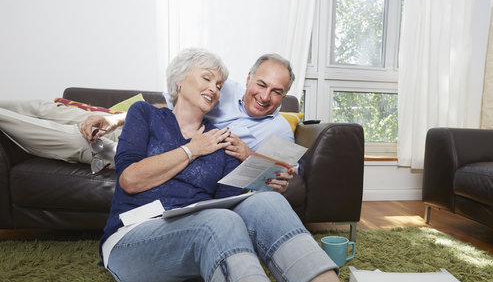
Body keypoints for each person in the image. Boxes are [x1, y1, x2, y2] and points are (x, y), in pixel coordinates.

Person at [102, 47, 372, 282]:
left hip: (192, 238)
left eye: (218, 85)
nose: (214, 89)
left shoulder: (223, 138)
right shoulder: (147, 116)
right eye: (206, 78)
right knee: (217, 221)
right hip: (132, 240)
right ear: (179, 80)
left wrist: (267, 180)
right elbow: (130, 179)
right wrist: (194, 148)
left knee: (266, 202)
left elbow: (233, 202)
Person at [0, 53, 297, 192]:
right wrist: (114, 119)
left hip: (162, 152)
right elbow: (162, 107)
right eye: (261, 84)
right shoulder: (223, 86)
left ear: (285, 94)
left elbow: (285, 174)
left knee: (68, 137)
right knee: (46, 108)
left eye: (277, 91)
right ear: (248, 79)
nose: (265, 96)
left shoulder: (280, 129)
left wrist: (250, 156)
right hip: (144, 128)